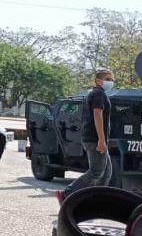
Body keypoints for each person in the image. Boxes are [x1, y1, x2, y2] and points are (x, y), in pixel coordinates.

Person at [57, 68, 114, 204]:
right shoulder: (98, 94)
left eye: (112, 80)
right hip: (95, 139)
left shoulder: (95, 94)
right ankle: (67, 194)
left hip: (95, 139)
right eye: (107, 79)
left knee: (106, 173)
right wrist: (101, 139)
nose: (110, 82)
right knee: (96, 172)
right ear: (98, 80)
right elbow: (97, 115)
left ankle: (95, 200)